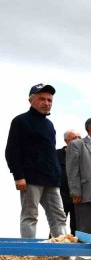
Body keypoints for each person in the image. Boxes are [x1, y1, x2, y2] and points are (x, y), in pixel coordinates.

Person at [5, 83, 67, 238]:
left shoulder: (49, 125)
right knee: (30, 216)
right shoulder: (20, 121)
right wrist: (18, 175)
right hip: (30, 179)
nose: (47, 103)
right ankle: (28, 252)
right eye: (42, 99)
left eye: (49, 100)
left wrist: (58, 176)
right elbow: (12, 150)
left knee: (59, 217)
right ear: (31, 100)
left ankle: (62, 251)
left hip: (51, 180)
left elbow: (50, 153)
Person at [57, 129, 82, 235]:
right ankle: (54, 248)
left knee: (78, 224)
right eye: (74, 138)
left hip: (80, 194)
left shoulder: (86, 155)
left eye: (79, 138)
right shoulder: (56, 154)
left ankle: (77, 249)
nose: (77, 140)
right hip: (60, 194)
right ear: (66, 140)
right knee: (58, 222)